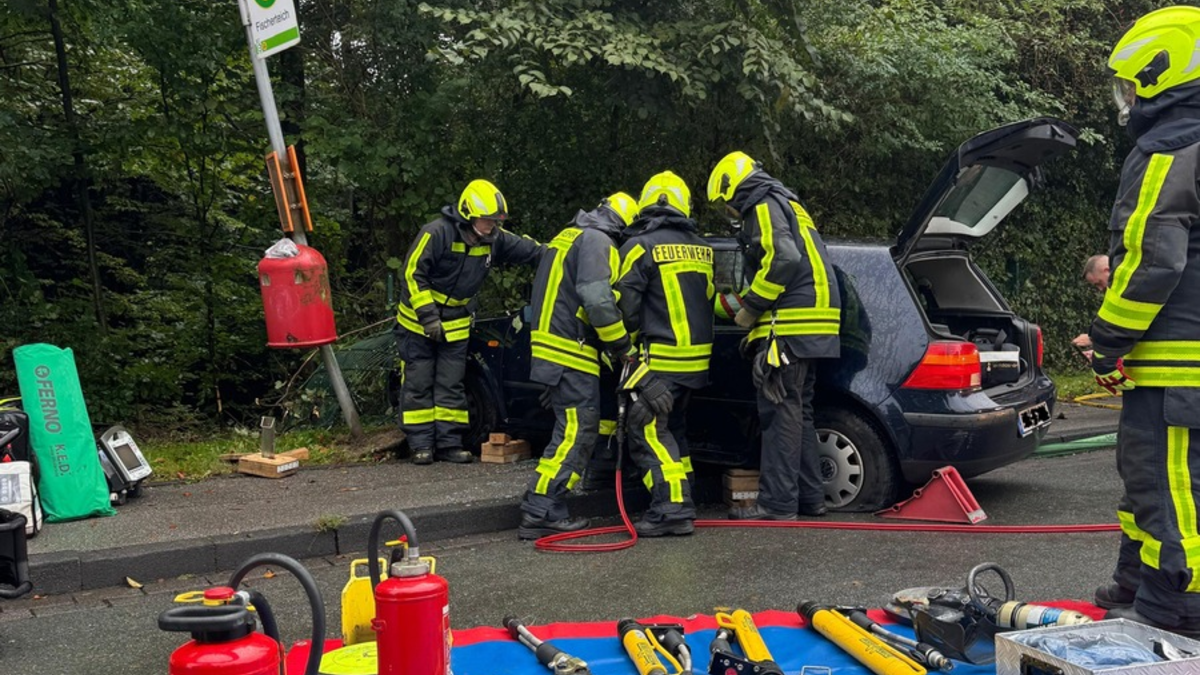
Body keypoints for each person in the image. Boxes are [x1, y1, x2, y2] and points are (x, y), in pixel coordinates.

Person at [1087, 6, 1200, 638]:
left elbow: (1154, 261)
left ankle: (1176, 608)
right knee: (1152, 478)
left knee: (1168, 489)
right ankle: (1135, 579)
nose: (1124, 99)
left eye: (1129, 85)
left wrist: (1107, 339)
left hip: (1177, 368)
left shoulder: (1169, 147)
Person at [706, 151, 841, 520]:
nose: (730, 212)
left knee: (779, 413)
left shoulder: (762, 204)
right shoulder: (790, 204)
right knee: (799, 414)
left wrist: (750, 307)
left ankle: (777, 504)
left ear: (731, 186)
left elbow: (783, 259)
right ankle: (810, 499)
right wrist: (732, 302)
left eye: (726, 204)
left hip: (790, 325)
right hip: (817, 323)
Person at [517, 192, 653, 540]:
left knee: (570, 430)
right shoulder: (597, 240)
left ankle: (547, 504)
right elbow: (596, 298)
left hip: (554, 349)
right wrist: (622, 346)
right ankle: (541, 506)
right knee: (577, 431)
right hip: (570, 351)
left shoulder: (569, 236)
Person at [396, 179, 543, 465]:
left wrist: (562, 251)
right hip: (417, 324)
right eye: (487, 220)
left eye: (494, 221)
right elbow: (413, 274)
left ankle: (450, 444)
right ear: (467, 214)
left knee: (451, 385)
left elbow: (529, 250)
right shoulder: (436, 233)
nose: (491, 226)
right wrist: (428, 317)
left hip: (456, 324)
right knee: (419, 383)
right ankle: (421, 445)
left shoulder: (493, 239)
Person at [615, 171, 714, 537]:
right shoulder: (702, 247)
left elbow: (625, 304)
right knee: (673, 429)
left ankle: (672, 509)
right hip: (696, 362)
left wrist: (619, 344)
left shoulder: (640, 246)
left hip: (660, 361)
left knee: (647, 431)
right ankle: (683, 493)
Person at [1071, 254, 1110, 352]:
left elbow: (1126, 332)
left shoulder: (1128, 292)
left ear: (1107, 270)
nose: (1100, 289)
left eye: (1099, 283)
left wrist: (1094, 340)